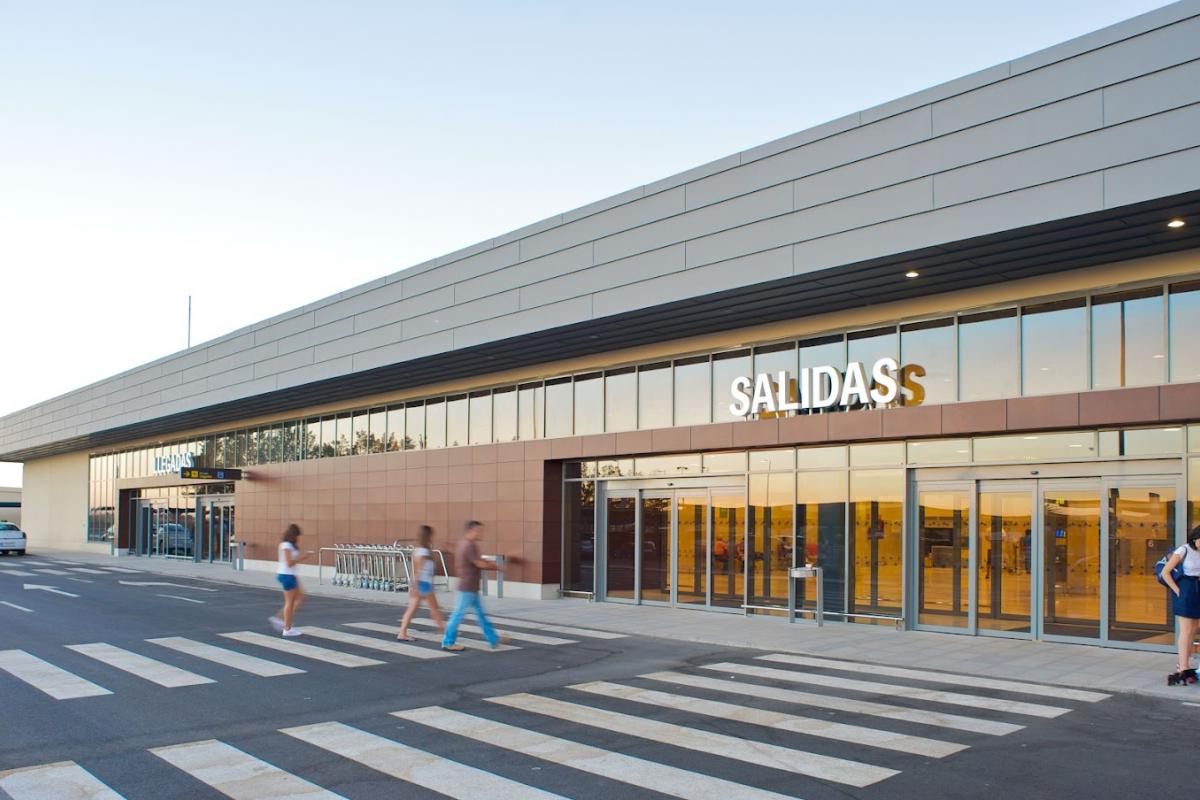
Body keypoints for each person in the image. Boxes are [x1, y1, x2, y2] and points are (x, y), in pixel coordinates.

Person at [441, 520, 506, 652]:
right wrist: (497, 567)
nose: (481, 533)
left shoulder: (465, 544)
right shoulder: (469, 546)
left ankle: (493, 638)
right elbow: (479, 564)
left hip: (470, 586)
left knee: (481, 614)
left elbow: (477, 561)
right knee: (458, 615)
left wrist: (487, 563)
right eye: (479, 530)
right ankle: (448, 642)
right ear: (472, 531)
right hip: (467, 587)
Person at [1161, 526, 1200, 686]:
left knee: (1193, 630)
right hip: (1185, 590)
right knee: (1186, 630)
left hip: (1198, 590)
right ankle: (1183, 667)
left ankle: (1183, 665)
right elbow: (1165, 572)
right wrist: (1178, 590)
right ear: (1195, 538)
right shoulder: (1183, 550)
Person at [397, 525, 445, 641]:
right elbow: (419, 571)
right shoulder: (424, 553)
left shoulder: (417, 551)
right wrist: (415, 586)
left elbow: (416, 570)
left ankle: (402, 632)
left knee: (413, 609)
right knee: (434, 609)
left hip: (421, 584)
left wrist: (413, 585)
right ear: (428, 537)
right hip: (424, 584)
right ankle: (446, 632)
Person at [270, 524, 314, 637]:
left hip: (290, 575)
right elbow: (289, 563)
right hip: (287, 575)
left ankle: (283, 621)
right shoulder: (286, 545)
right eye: (298, 535)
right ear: (294, 535)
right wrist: (304, 557)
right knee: (289, 603)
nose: (299, 538)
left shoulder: (288, 545)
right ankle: (287, 628)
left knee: (300, 598)